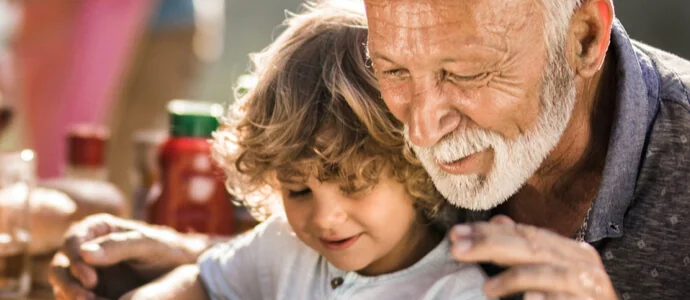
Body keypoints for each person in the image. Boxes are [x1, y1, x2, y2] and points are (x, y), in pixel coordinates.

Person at [51, 1, 490, 299]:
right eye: (298, 192)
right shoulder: (287, 246)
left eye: (354, 185)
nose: (324, 217)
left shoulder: (454, 288)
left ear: (416, 162)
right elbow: (202, 280)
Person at [363, 0, 690, 299]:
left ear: (584, 40)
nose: (421, 132)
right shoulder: (357, 118)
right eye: (394, 71)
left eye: (467, 74)